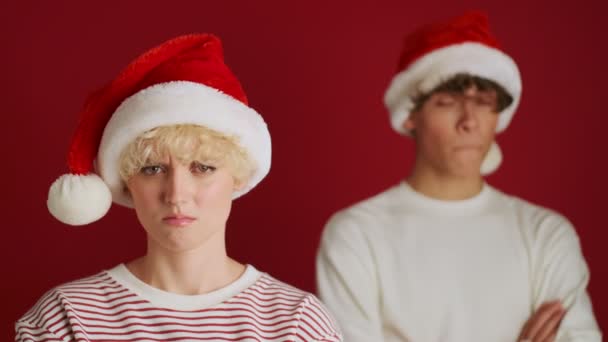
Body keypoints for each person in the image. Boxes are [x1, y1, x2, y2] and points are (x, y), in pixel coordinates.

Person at [16, 33, 342, 342]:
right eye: (153, 168)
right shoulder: (65, 319)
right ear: (127, 182)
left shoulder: (296, 323)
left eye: (203, 168)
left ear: (238, 176)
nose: (176, 194)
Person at [316, 11, 601, 342]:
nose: (469, 121)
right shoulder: (356, 235)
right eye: (447, 102)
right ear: (411, 115)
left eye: (484, 102)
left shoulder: (546, 235)